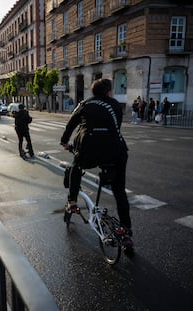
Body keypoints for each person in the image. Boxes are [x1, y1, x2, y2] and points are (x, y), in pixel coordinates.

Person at [60, 78, 133, 251]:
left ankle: (72, 201)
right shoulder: (115, 105)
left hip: (89, 152)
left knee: (76, 167)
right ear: (108, 92)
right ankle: (127, 232)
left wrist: (64, 141)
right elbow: (116, 127)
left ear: (93, 92)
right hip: (117, 152)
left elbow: (70, 125)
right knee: (119, 192)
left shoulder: (84, 104)